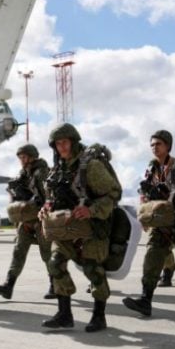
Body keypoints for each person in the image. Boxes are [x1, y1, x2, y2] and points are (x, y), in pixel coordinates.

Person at [40, 123, 121, 333]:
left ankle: (99, 316)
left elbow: (113, 194)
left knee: (93, 270)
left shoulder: (91, 166)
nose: (62, 147)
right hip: (65, 229)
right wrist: (46, 208)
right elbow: (51, 197)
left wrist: (91, 210)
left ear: (74, 142)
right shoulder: (57, 169)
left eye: (65, 142)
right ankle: (64, 315)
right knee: (55, 263)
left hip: (93, 227)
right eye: (58, 144)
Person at [123, 130, 175, 316]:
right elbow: (145, 197)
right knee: (151, 259)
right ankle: (145, 300)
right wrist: (144, 217)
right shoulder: (151, 169)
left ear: (168, 146)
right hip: (160, 223)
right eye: (152, 144)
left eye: (158, 144)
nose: (154, 147)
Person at [0, 144, 53, 300]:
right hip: (26, 221)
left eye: (24, 157)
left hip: (41, 220)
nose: (22, 161)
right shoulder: (24, 173)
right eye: (20, 158)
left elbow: (47, 199)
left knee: (47, 255)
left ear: (32, 157)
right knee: (18, 252)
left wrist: (38, 218)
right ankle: (8, 286)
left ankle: (55, 286)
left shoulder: (41, 173)